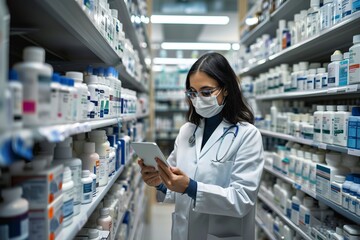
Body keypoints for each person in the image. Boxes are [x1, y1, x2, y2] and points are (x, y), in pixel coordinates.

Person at [138, 52, 264, 240]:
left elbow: (242, 199)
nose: (198, 99)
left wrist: (193, 188)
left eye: (206, 92)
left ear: (226, 89)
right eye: (192, 92)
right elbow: (175, 186)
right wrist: (160, 183)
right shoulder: (186, 132)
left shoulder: (248, 135)